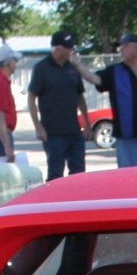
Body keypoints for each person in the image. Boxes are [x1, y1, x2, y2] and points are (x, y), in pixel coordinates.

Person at [77, 32, 137, 168]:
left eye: (123, 47)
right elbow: (94, 79)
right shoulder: (115, 71)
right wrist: (77, 64)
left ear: (135, 48)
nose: (120, 51)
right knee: (127, 179)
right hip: (126, 137)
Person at [27, 31, 90, 179]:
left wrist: (87, 123)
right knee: (56, 174)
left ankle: (76, 200)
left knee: (79, 174)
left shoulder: (73, 67)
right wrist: (38, 126)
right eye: (68, 47)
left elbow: (80, 97)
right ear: (57, 49)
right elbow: (31, 98)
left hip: (74, 131)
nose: (71, 50)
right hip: (52, 132)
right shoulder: (41, 68)